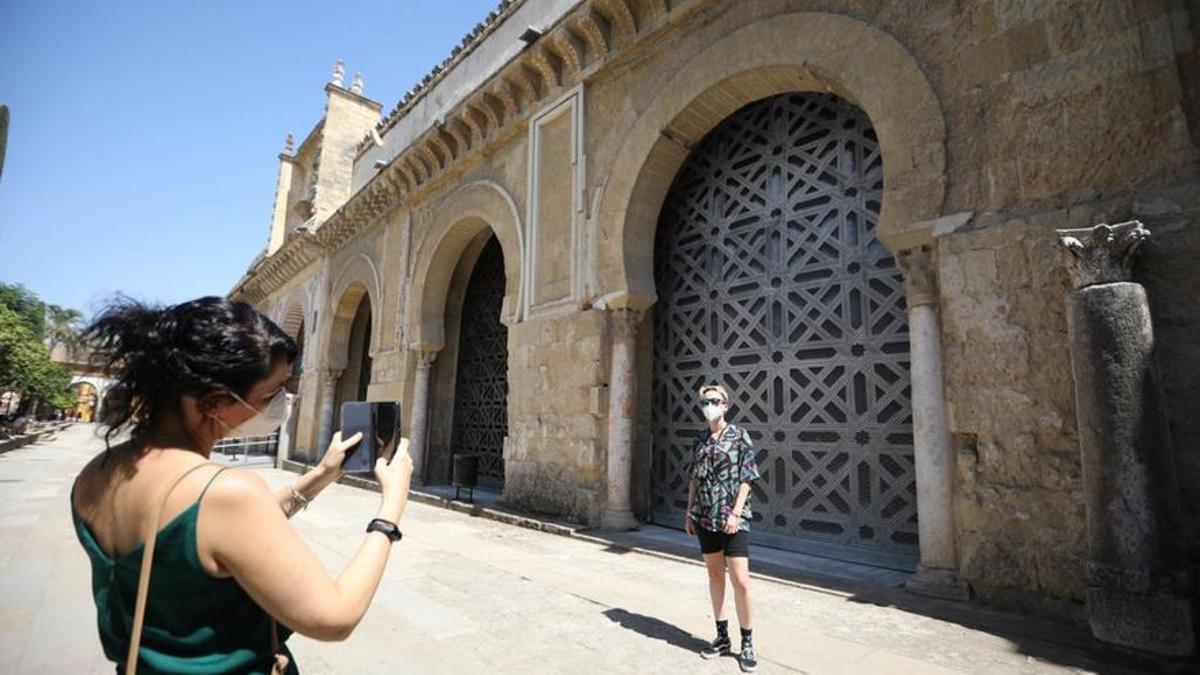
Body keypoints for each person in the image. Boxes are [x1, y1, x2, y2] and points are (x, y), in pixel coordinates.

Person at [70, 296, 413, 673]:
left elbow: (213, 535)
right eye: (270, 394)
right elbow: (335, 616)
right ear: (216, 402)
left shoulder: (95, 474)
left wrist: (320, 476)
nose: (280, 403)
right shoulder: (225, 491)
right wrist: (391, 508)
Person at [685, 384, 761, 672]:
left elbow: (747, 477)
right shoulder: (700, 441)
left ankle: (748, 641)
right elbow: (694, 478)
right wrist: (689, 511)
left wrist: (736, 513)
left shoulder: (740, 436)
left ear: (726, 404)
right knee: (715, 575)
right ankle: (722, 636)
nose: (709, 406)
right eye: (704, 401)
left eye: (714, 401)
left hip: (733, 520)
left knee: (741, 581)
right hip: (704, 517)